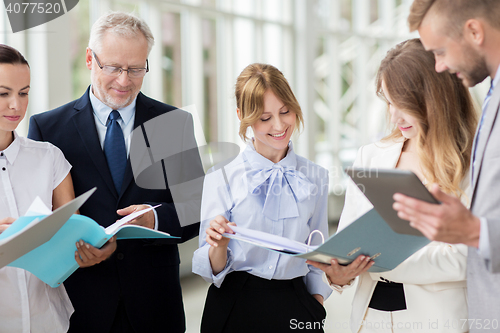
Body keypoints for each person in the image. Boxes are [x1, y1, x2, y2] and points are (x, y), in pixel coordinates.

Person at [28, 12, 200, 333]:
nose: (124, 81)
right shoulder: (49, 128)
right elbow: (37, 218)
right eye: (114, 68)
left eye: (136, 69)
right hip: (80, 302)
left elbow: (198, 211)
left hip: (155, 305)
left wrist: (154, 218)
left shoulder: (174, 123)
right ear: (91, 59)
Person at [309, 39, 477, 332]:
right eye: (388, 101)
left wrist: (381, 262)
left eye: (403, 104)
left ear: (436, 98)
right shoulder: (370, 156)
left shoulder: (472, 165)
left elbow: (469, 258)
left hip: (436, 322)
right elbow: (349, 241)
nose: (394, 116)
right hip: (369, 319)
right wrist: (339, 274)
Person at [192, 63, 338, 332]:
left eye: (285, 111)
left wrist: (315, 303)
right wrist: (220, 245)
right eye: (265, 117)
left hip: (296, 302)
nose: (280, 125)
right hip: (235, 305)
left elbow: (319, 249)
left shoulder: (316, 176)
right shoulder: (221, 178)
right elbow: (210, 270)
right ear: (242, 115)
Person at [392, 0, 500, 328]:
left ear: (474, 31)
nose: (438, 66)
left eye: (439, 51)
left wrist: (474, 230)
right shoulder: (492, 97)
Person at [0, 43, 96, 332]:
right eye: (3, 93)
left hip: (49, 319)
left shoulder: (49, 157)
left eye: (24, 93)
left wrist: (85, 247)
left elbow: (71, 229)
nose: (16, 105)